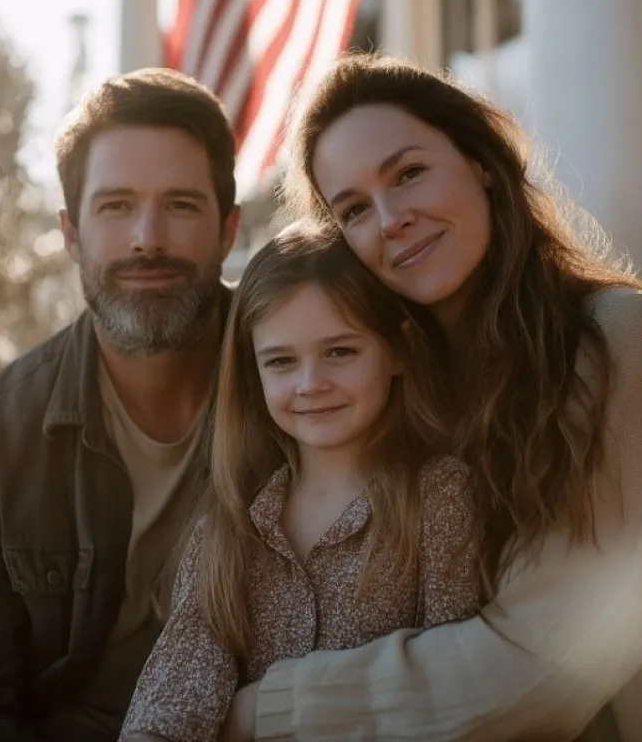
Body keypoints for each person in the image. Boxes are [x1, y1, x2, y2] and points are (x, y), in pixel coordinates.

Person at [219, 52, 642, 741]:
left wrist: (272, 707)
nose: (390, 219)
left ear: (480, 161)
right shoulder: (389, 386)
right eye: (353, 208)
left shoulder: (623, 338)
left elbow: (548, 661)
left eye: (409, 173)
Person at [0, 69, 241, 742]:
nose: (146, 239)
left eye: (182, 205)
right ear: (72, 234)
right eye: (116, 206)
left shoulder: (315, 383)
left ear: (228, 230)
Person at [121, 221, 479, 742]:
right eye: (282, 361)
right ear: (254, 374)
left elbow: (457, 694)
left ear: (397, 351)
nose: (311, 384)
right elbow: (168, 709)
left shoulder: (438, 497)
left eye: (340, 352)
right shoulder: (229, 532)